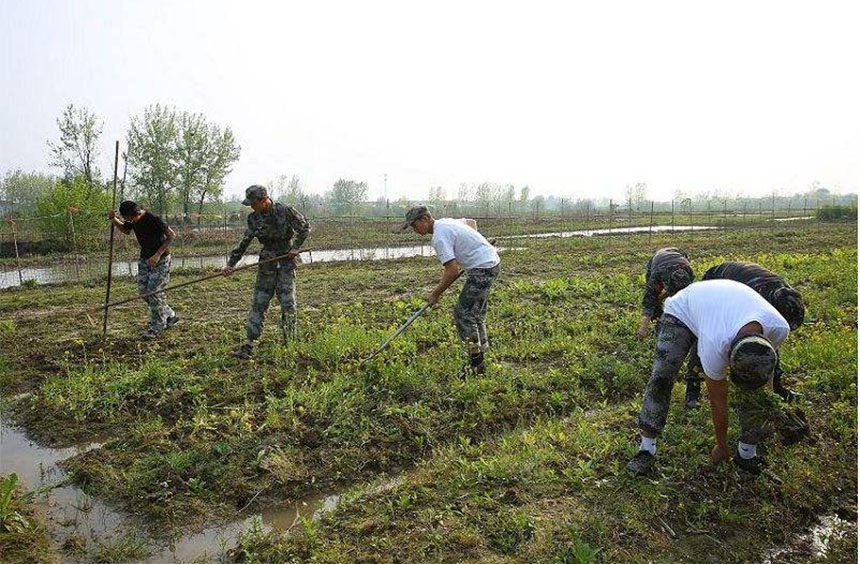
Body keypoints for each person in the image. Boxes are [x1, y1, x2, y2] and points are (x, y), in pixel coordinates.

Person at [627, 279, 790, 477]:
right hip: (683, 310)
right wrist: (721, 446)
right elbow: (717, 401)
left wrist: (766, 407)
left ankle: (746, 454)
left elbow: (767, 376)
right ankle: (646, 448)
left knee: (754, 392)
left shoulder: (779, 328)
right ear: (729, 353)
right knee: (662, 376)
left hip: (723, 304)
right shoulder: (716, 343)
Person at [682, 261, 805, 403]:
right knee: (707, 336)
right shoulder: (757, 298)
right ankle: (693, 389)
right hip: (717, 281)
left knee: (763, 345)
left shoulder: (787, 297)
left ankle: (776, 387)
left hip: (740, 279)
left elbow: (768, 346)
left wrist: (770, 389)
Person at [403, 205, 500, 375]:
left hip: (483, 268)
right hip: (491, 263)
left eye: (414, 225)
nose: (414, 229)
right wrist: (477, 244)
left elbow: (452, 271)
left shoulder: (439, 237)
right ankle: (482, 351)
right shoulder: (445, 223)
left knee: (463, 315)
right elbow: (471, 223)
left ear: (425, 219)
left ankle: (476, 365)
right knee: (475, 313)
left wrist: (435, 294)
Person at [222, 185, 310, 359]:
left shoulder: (284, 210)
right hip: (267, 263)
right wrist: (231, 264)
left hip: (286, 261)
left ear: (264, 200)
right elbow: (245, 241)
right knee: (259, 303)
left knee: (288, 304)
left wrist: (295, 248)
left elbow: (304, 228)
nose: (251, 207)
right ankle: (249, 344)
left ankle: (290, 344)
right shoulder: (253, 218)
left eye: (253, 203)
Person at [636, 248, 699, 408]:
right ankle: (660, 322)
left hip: (680, 254)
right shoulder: (656, 277)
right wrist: (643, 328)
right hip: (657, 259)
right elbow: (648, 302)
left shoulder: (688, 272)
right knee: (654, 302)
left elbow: (690, 294)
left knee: (683, 302)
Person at [108, 200, 178, 339]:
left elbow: (171, 235)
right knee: (143, 292)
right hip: (145, 259)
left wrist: (157, 255)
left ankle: (157, 326)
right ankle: (170, 315)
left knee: (153, 292)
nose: (131, 221)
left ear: (138, 212)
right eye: (128, 219)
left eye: (132, 218)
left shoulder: (153, 219)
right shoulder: (132, 219)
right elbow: (126, 230)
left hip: (161, 259)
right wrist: (113, 219)